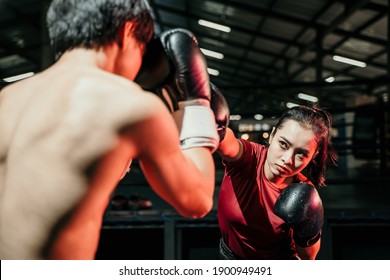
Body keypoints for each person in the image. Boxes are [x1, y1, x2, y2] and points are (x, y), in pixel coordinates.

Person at [0, 0, 219, 260]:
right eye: (142, 48)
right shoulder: (130, 103)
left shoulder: (8, 97)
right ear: (129, 30)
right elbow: (197, 201)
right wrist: (196, 103)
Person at [211, 85, 338, 260]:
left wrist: (308, 231)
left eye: (301, 153)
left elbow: (308, 258)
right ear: (272, 136)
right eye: (283, 144)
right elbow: (227, 142)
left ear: (312, 157)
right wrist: (211, 120)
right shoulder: (248, 158)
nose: (287, 159)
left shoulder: (303, 195)